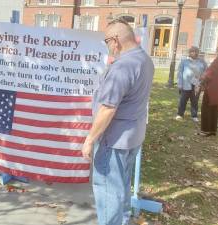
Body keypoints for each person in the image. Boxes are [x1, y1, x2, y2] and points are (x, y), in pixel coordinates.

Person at [81, 18, 154, 225]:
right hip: (132, 136)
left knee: (108, 192)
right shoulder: (145, 60)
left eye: (106, 42)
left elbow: (107, 109)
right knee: (121, 186)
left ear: (115, 40)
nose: (107, 47)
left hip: (114, 140)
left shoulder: (123, 66)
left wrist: (89, 140)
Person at [199, 44, 218, 136]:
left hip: (212, 89)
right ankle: (213, 130)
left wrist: (202, 79)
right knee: (214, 109)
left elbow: (209, 73)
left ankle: (205, 130)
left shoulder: (217, 61)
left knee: (206, 108)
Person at [176, 46, 207, 122]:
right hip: (185, 84)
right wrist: (180, 84)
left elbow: (206, 72)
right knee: (183, 100)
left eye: (196, 51)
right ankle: (180, 114)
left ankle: (194, 115)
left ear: (198, 53)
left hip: (197, 85)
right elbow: (180, 73)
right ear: (189, 53)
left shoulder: (202, 62)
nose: (194, 53)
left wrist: (203, 83)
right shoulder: (184, 61)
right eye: (192, 51)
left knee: (195, 101)